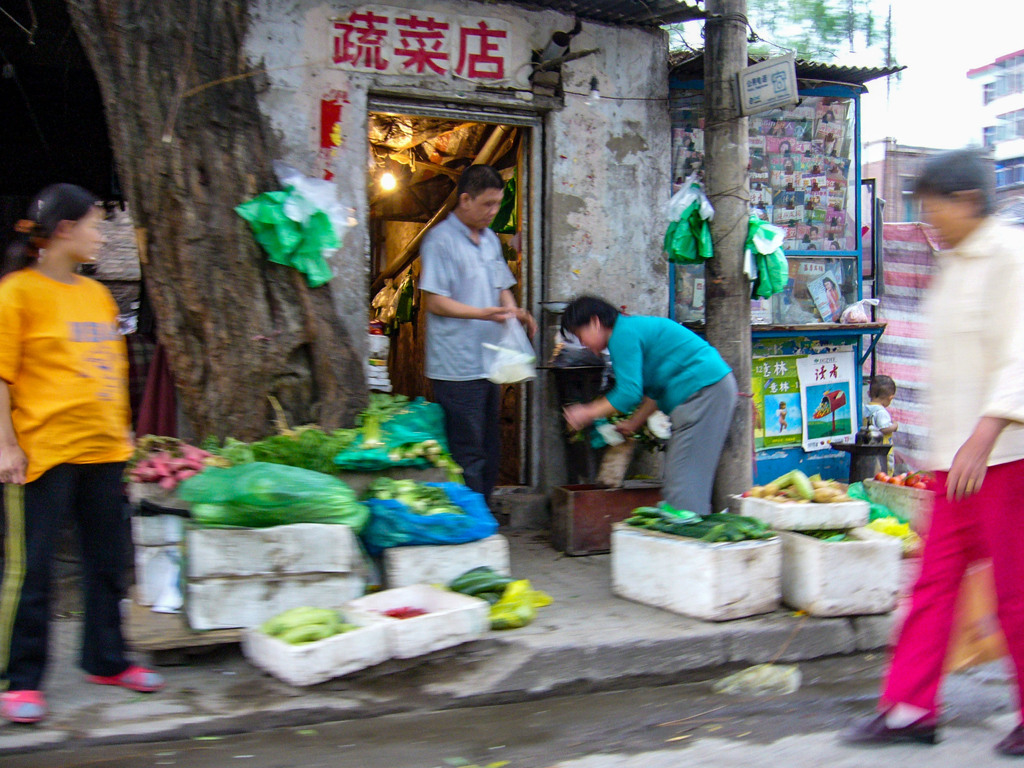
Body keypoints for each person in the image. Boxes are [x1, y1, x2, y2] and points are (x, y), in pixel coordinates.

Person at [842, 149, 1024, 756]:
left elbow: (1020, 357)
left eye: (933, 208)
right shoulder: (956, 264)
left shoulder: (1008, 256)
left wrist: (985, 432)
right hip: (957, 463)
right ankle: (910, 707)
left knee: (1015, 592)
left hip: (1004, 457)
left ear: (968, 201)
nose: (928, 221)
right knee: (934, 582)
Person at [0, 184, 164, 724]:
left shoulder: (95, 296)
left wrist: (125, 437)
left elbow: (109, 374)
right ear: (64, 231)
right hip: (42, 452)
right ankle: (19, 679)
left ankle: (106, 659)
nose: (103, 234)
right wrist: (5, 446)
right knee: (33, 569)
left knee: (109, 561)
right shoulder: (16, 293)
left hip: (103, 450)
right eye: (95, 224)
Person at [419, 165, 536, 506]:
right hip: (455, 367)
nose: (493, 211)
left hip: (489, 362)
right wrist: (483, 313)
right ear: (465, 200)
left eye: (498, 204)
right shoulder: (439, 240)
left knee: (489, 447)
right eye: (487, 204)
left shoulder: (488, 241)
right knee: (466, 450)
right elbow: (435, 302)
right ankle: (469, 522)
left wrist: (513, 311)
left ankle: (482, 517)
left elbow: (501, 287)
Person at [560, 296, 737, 516]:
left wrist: (587, 412)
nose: (583, 343)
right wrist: (635, 422)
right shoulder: (630, 330)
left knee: (685, 481)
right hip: (707, 391)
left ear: (595, 322)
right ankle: (690, 529)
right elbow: (654, 392)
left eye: (580, 335)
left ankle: (690, 537)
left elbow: (628, 393)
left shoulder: (622, 335)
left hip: (704, 391)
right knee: (682, 478)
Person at [865, 375, 898, 442]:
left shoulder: (865, 408)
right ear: (890, 398)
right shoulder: (881, 412)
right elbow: (884, 429)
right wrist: (894, 426)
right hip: (882, 449)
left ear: (869, 394)